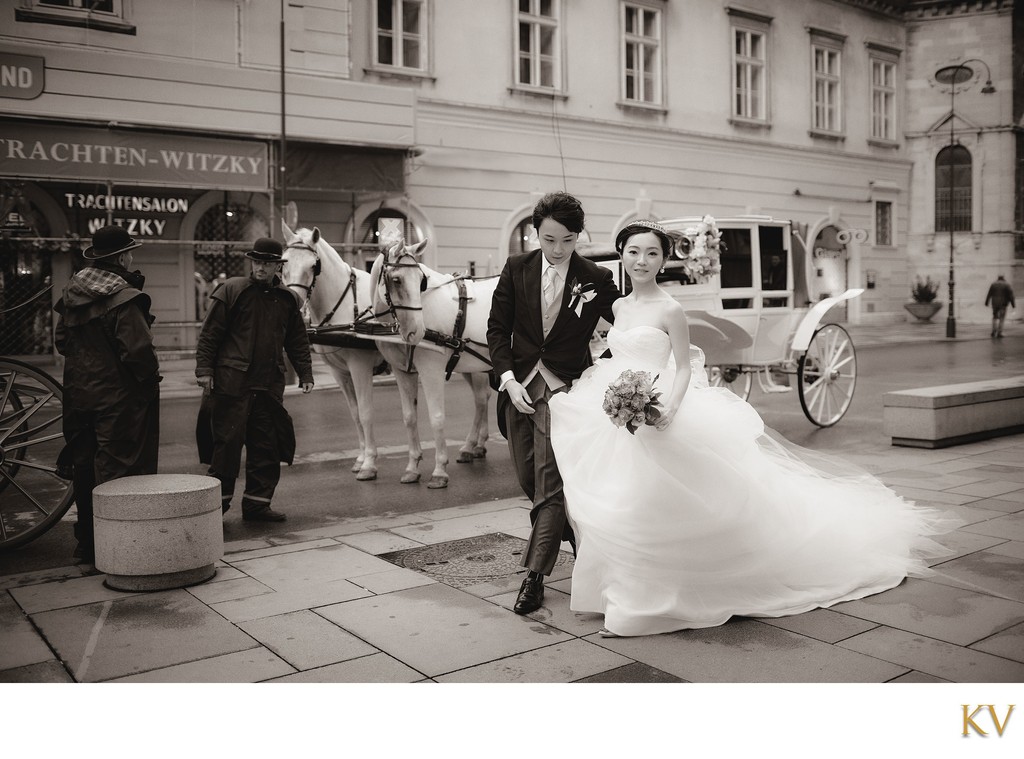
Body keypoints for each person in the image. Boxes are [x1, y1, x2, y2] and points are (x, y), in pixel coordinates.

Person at [548, 220, 958, 636]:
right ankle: (621, 591)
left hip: (659, 411)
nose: (642, 261)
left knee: (650, 503)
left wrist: (666, 408)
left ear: (664, 260)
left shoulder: (670, 309)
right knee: (620, 502)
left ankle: (640, 603)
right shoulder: (618, 308)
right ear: (622, 254)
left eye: (652, 253)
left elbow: (686, 366)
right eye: (634, 251)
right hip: (621, 413)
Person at [486, 191, 620, 615]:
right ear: (535, 234)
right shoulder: (515, 269)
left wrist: (602, 375)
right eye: (549, 240)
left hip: (564, 394)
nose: (558, 250)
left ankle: (535, 577)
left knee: (548, 487)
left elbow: (627, 326)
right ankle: (580, 541)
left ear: (577, 236)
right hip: (517, 390)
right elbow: (496, 330)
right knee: (531, 481)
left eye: (567, 240)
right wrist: (507, 380)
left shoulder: (595, 278)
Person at [54, 225, 161, 563]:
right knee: (118, 473)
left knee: (85, 470)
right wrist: (148, 380)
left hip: (78, 396)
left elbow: (61, 343)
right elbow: (138, 351)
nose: (132, 258)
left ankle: (86, 543)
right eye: (130, 253)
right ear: (120, 257)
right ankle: (119, 548)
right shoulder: (123, 297)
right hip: (118, 400)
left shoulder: (72, 294)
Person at [195, 237, 314, 522]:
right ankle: (216, 509)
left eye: (267, 263)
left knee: (266, 446)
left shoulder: (287, 299)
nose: (261, 267)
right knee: (227, 446)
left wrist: (306, 373)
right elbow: (210, 334)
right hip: (232, 383)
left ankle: (257, 505)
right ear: (252, 263)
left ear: (277, 267)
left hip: (269, 385)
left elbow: (297, 340)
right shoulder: (232, 291)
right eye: (257, 262)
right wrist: (204, 371)